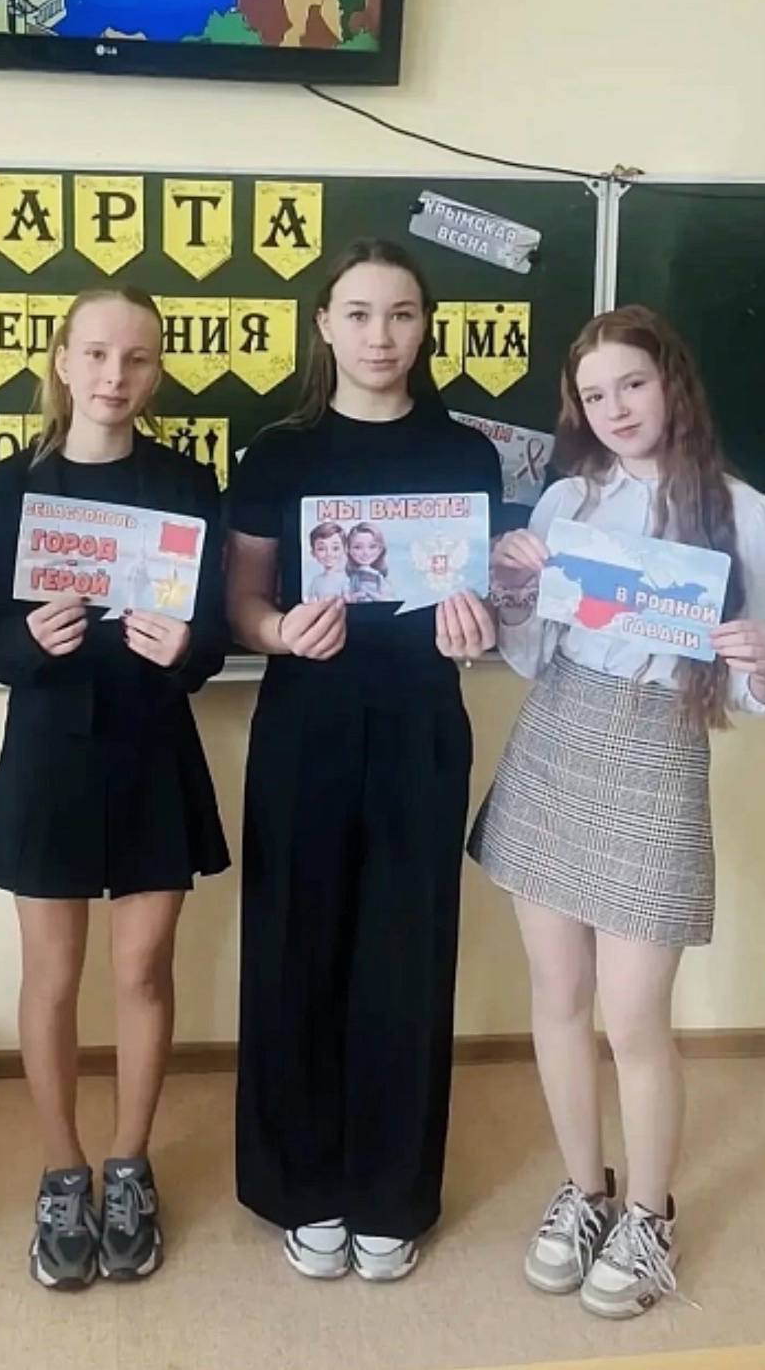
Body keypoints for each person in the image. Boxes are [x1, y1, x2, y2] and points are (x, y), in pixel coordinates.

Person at [467, 305, 765, 1318]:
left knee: (631, 1017)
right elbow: (527, 650)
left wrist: (761, 661)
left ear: (672, 382)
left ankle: (649, 1212)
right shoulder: (568, 502)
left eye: (632, 383)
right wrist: (515, 593)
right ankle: (585, 1191)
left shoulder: (745, 512)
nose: (615, 408)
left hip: (658, 748)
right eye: (594, 394)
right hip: (557, 737)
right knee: (558, 995)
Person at [225, 238, 503, 1283]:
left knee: (407, 953)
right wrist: (279, 630)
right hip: (305, 723)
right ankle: (306, 1185)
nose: (380, 335)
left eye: (400, 314)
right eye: (357, 313)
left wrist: (479, 626)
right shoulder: (278, 453)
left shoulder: (466, 454)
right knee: (295, 945)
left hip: (421, 722)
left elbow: (486, 601)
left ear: (424, 327)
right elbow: (242, 603)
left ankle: (393, 1190)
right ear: (324, 326)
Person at [0, 287, 229, 1291]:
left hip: (152, 747)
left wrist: (186, 645)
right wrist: (25, 639)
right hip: (49, 753)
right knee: (52, 976)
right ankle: (61, 1168)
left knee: (144, 969)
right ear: (63, 361)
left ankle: (128, 1166)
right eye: (99, 354)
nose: (116, 375)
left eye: (138, 358)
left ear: (156, 373)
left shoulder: (186, 482)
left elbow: (214, 634)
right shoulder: (3, 489)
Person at [345, 522, 394, 603]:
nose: (366, 553)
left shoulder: (379, 577)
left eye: (372, 547)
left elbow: (388, 598)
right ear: (349, 550)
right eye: (358, 547)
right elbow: (346, 596)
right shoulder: (352, 578)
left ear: (380, 549)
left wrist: (377, 597)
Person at [306, 521, 352, 600]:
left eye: (335, 548)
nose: (329, 554)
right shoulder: (316, 581)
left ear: (345, 550)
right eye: (321, 549)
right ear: (313, 553)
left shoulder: (347, 579)